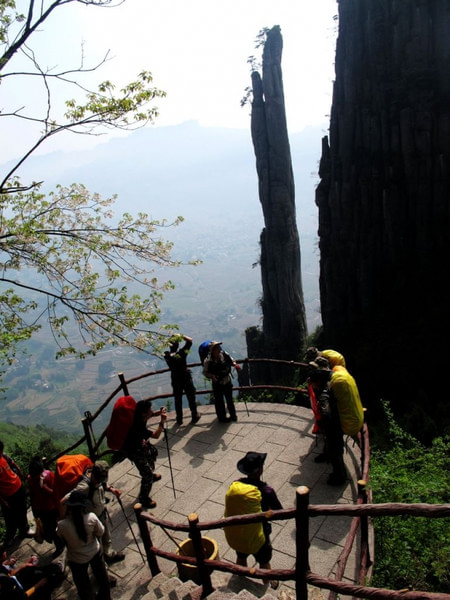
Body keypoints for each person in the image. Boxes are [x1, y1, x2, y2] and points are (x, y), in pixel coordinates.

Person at [225, 451, 282, 589]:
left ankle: (240, 578)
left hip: (239, 533)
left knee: (241, 556)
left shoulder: (236, 484)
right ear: (260, 470)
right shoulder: (267, 491)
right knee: (264, 561)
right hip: (259, 535)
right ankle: (267, 583)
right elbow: (279, 512)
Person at [61, 460, 125, 564]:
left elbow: (103, 485)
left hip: (101, 514)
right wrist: (63, 517)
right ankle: (103, 568)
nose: (100, 481)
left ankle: (109, 554)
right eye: (99, 479)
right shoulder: (84, 487)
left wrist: (112, 490)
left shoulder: (98, 480)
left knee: (106, 536)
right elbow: (64, 500)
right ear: (94, 474)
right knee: (96, 546)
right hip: (91, 521)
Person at [56, 490, 111, 600]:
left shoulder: (62, 525)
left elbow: (61, 537)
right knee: (102, 576)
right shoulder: (91, 517)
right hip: (94, 551)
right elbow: (101, 532)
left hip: (76, 558)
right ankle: (106, 596)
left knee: (82, 583)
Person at [121, 400, 167, 509]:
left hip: (138, 445)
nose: (151, 410)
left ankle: (151, 476)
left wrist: (159, 412)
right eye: (149, 409)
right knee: (146, 474)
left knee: (151, 454)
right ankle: (143, 498)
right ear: (143, 413)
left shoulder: (139, 416)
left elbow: (151, 415)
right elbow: (156, 435)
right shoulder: (138, 426)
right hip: (133, 450)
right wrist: (162, 422)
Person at [307, 363, 347, 485]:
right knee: (335, 449)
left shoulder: (324, 394)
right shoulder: (330, 382)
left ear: (317, 381)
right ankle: (335, 468)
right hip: (337, 423)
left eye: (313, 383)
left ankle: (339, 477)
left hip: (333, 427)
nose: (312, 386)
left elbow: (325, 413)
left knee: (336, 451)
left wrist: (323, 424)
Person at [27, 457, 64, 557]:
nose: (34, 478)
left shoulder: (49, 476)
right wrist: (34, 511)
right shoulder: (30, 479)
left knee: (54, 528)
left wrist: (45, 488)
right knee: (48, 529)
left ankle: (60, 545)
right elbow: (32, 494)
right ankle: (59, 542)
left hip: (51, 508)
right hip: (40, 509)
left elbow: (55, 493)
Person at [0, 545, 65, 600]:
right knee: (44, 585)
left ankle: (54, 569)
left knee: (30, 569)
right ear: (2, 556)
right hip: (21, 591)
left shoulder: (1, 569)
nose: (5, 552)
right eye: (4, 552)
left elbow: (9, 574)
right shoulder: (5, 585)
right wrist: (37, 585)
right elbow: (23, 596)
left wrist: (23, 566)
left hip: (16, 581)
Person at [0, 441, 32, 547]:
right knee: (10, 518)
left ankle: (24, 531)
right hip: (7, 495)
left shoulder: (3, 456)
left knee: (22, 511)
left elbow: (12, 462)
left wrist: (19, 472)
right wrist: (3, 501)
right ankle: (10, 537)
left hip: (17, 486)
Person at [164, 335, 200, 425]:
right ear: (177, 345)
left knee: (178, 399)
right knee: (191, 397)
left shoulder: (167, 355)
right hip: (185, 377)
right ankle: (194, 415)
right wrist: (180, 335)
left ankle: (179, 419)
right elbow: (190, 341)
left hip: (175, 379)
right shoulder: (181, 353)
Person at [203, 341, 240, 423]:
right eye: (217, 348)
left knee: (229, 399)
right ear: (213, 350)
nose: (219, 349)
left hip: (226, 380)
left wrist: (235, 364)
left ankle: (233, 416)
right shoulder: (208, 361)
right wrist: (212, 376)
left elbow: (232, 360)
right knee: (219, 401)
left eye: (219, 347)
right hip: (217, 382)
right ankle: (222, 418)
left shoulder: (224, 354)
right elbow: (205, 372)